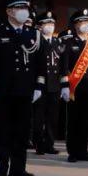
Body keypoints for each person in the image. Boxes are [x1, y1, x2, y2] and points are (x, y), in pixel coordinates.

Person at [0, 0, 46, 176]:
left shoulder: (34, 34)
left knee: (22, 131)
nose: (23, 12)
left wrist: (38, 87)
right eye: (19, 8)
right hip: (4, 90)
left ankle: (19, 168)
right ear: (9, 11)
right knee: (3, 130)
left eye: (25, 8)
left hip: (26, 91)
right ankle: (2, 168)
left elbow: (40, 64)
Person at [59, 9, 88, 163]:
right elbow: (63, 66)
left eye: (87, 23)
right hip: (74, 88)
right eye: (82, 22)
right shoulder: (68, 43)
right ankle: (73, 152)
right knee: (73, 121)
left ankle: (83, 151)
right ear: (76, 25)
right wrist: (64, 85)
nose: (85, 25)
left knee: (86, 121)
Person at [33, 11, 61, 155]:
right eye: (46, 24)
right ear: (40, 26)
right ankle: (38, 144)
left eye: (52, 24)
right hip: (40, 85)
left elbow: (61, 65)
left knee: (52, 117)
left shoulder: (57, 42)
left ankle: (49, 144)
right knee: (39, 117)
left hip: (54, 85)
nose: (50, 26)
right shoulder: (36, 42)